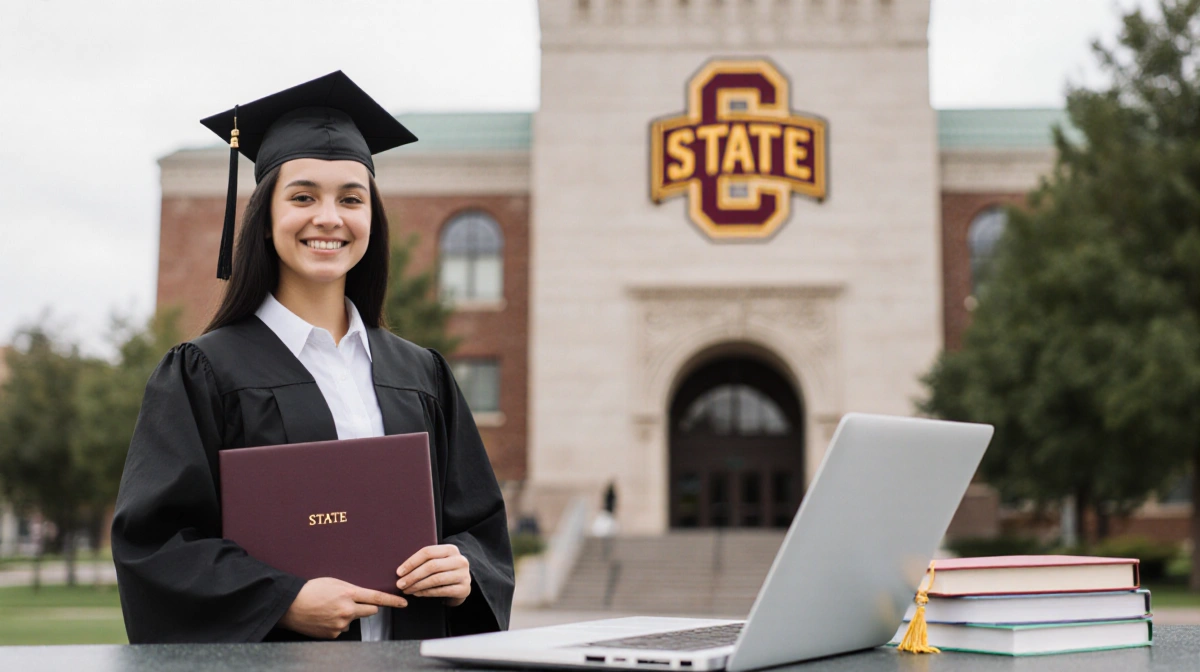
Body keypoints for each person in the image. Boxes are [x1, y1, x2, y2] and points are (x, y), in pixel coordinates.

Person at [111, 72, 514, 643]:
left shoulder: (420, 374)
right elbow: (156, 544)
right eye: (303, 197)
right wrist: (280, 600)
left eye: (351, 198)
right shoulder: (205, 373)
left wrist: (465, 567)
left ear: (371, 218)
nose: (330, 217)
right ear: (266, 217)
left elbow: (479, 527)